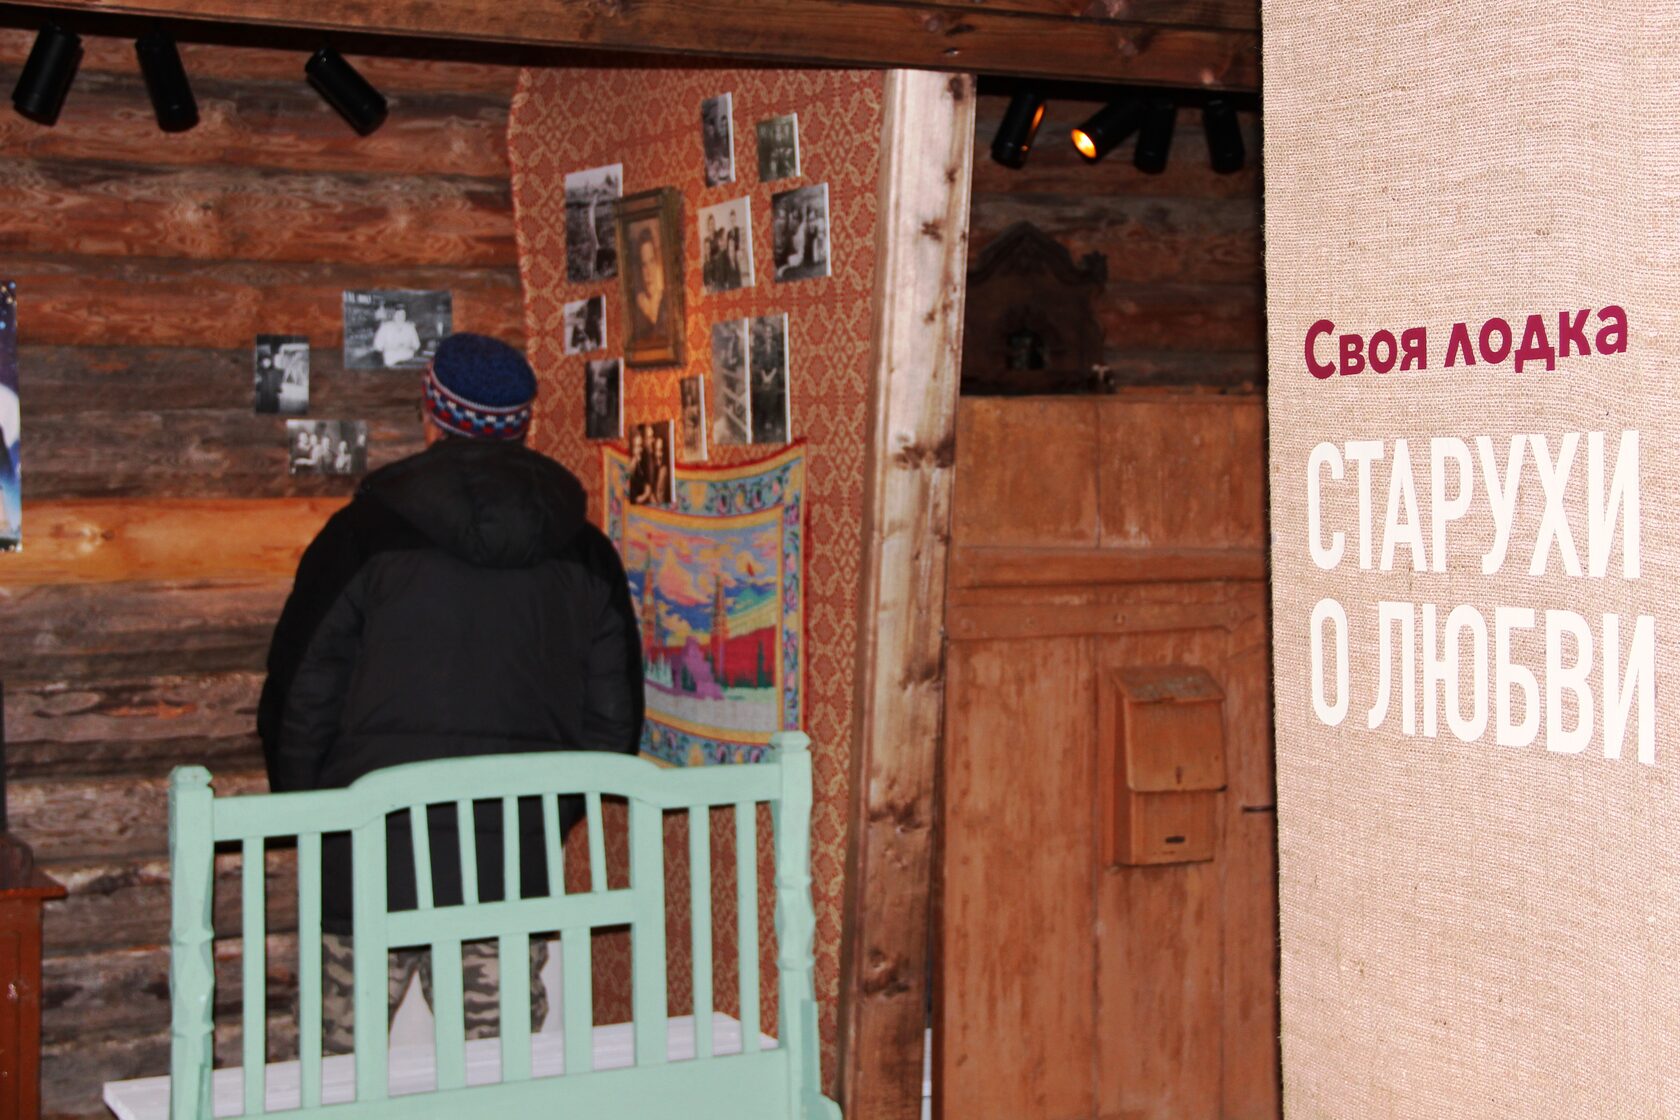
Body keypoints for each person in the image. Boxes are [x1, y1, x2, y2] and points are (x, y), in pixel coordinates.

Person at [258, 332, 643, 1054]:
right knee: (498, 1077)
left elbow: (299, 700)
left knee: (335, 1079)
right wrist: (538, 818)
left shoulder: (359, 537)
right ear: (523, 424)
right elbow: (613, 727)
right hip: (508, 865)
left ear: (432, 414)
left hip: (366, 856)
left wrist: (318, 817)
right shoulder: (585, 550)